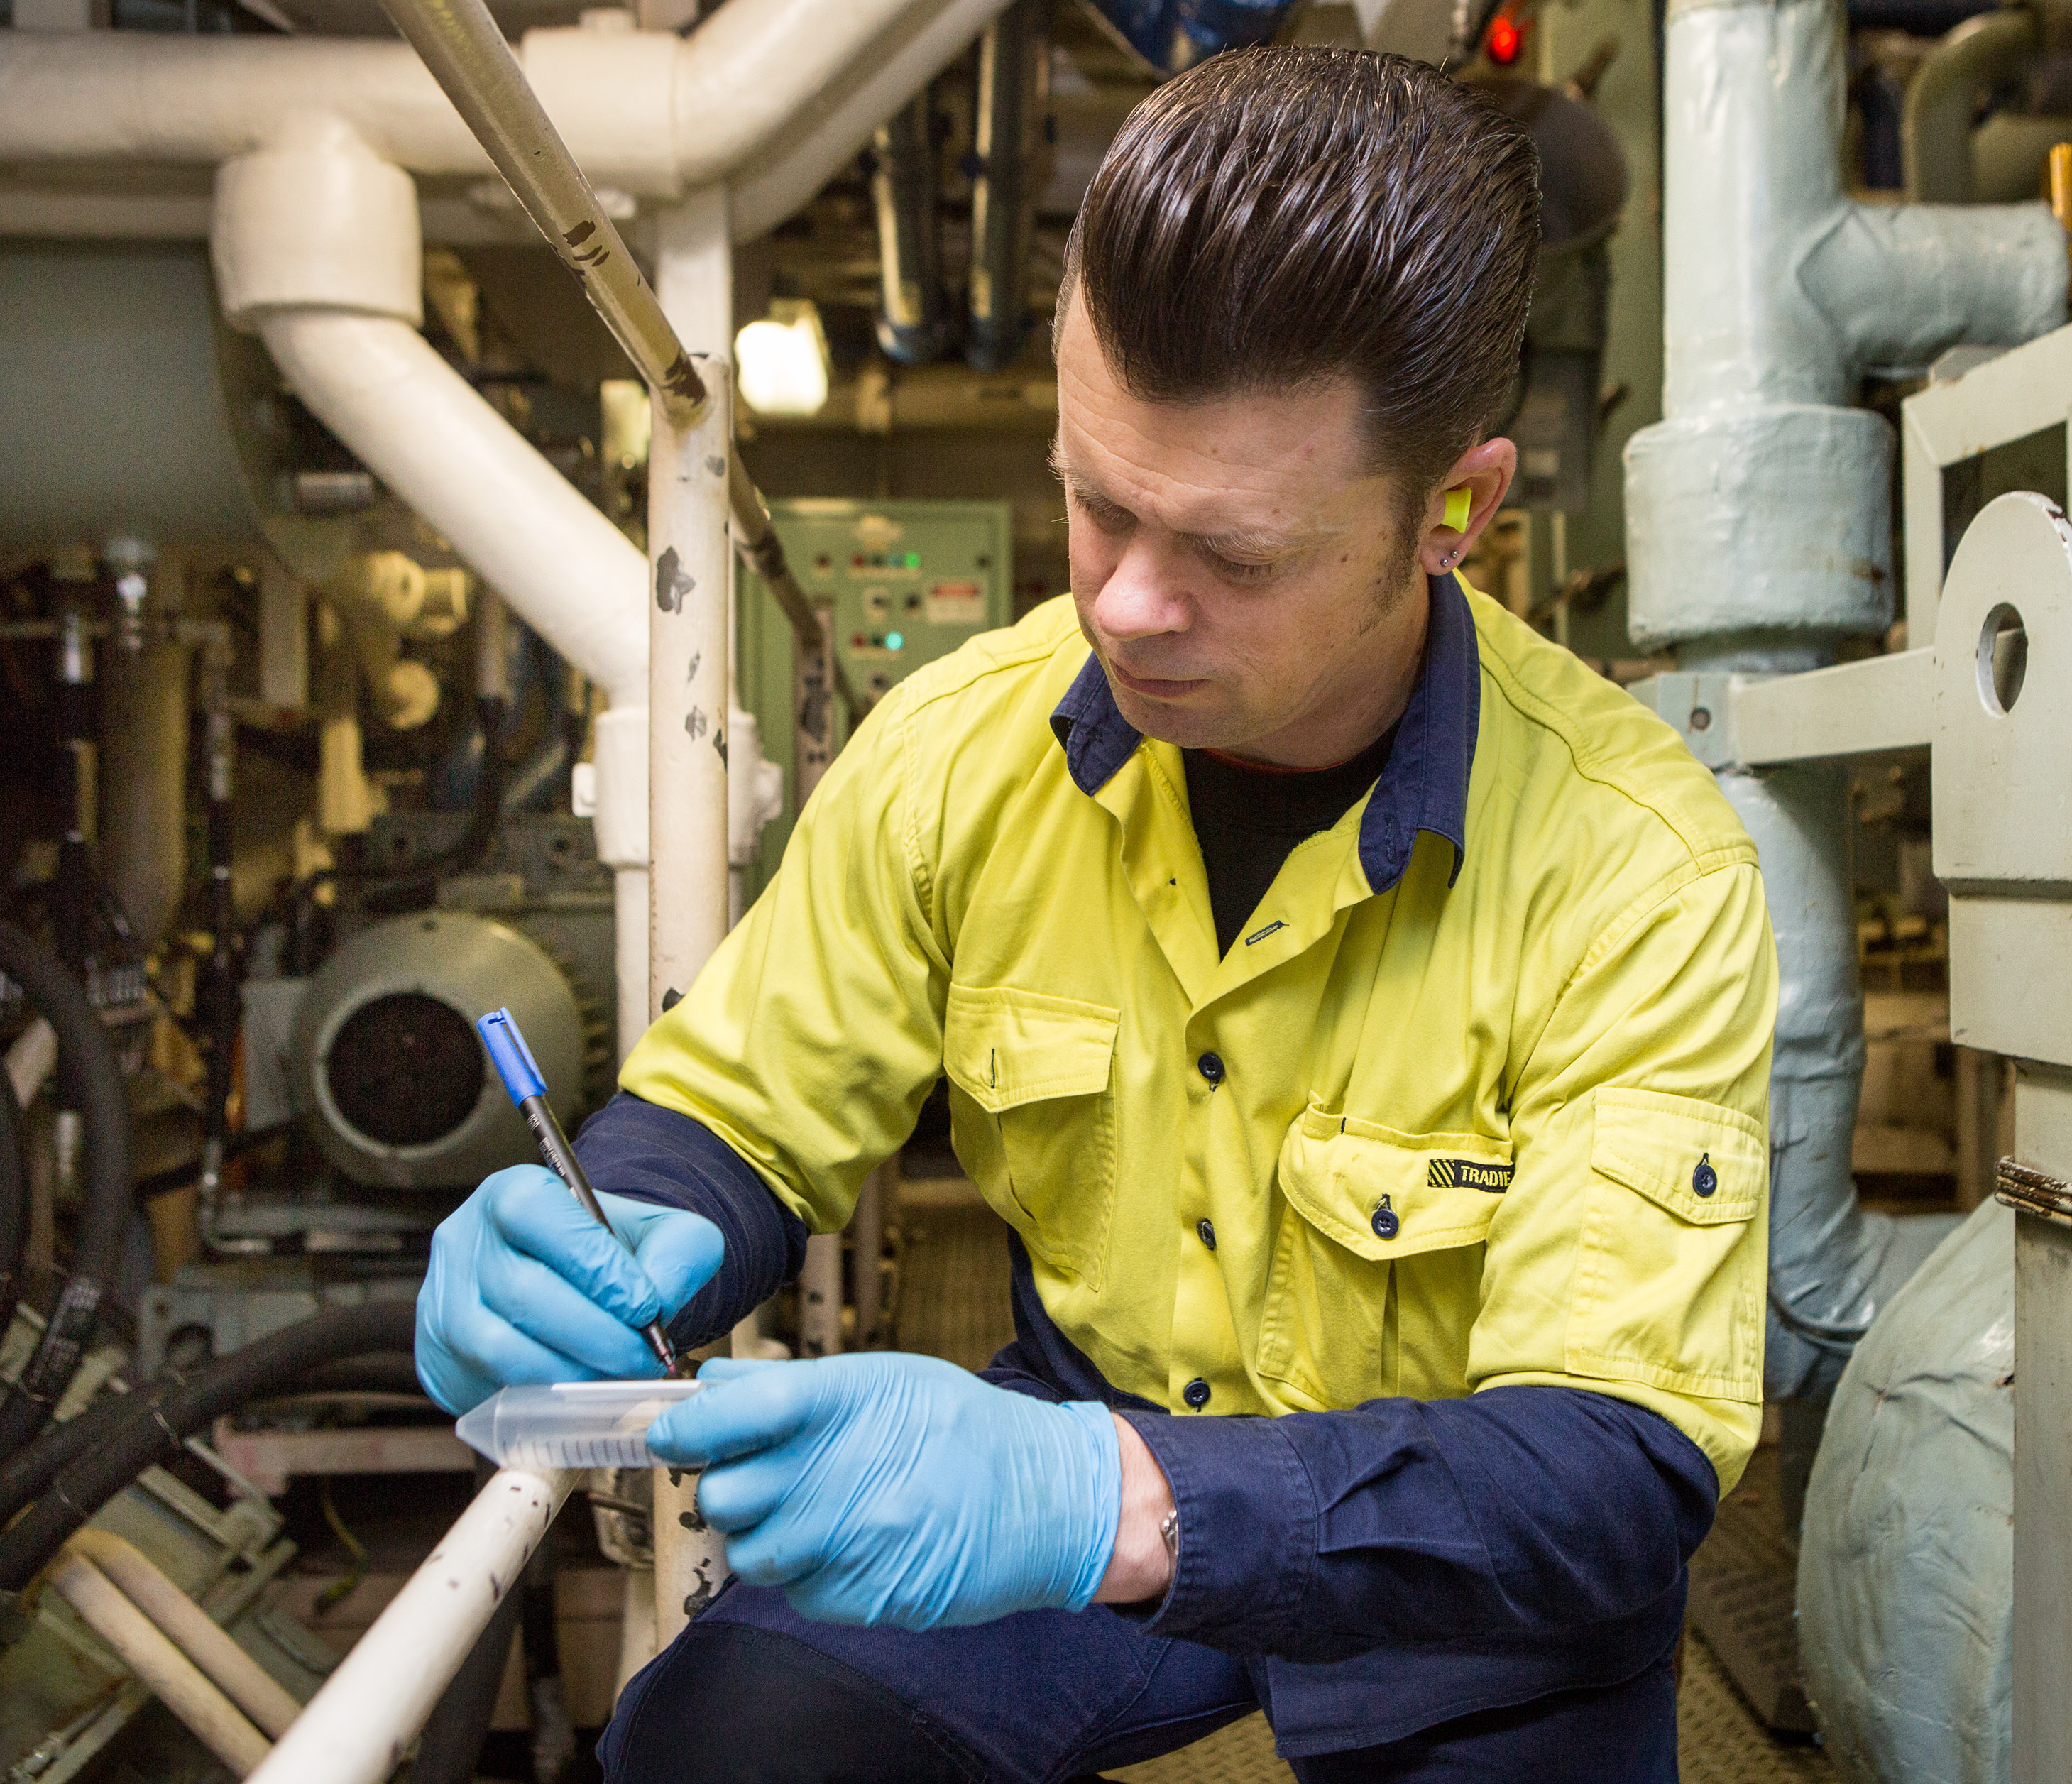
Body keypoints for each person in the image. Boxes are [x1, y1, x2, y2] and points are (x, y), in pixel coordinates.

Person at [417, 44, 1775, 1783]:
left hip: (1466, 1567)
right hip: (1072, 1463)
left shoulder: (1639, 866)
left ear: (1457, 514)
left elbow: (1610, 1463)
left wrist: (1113, 1505)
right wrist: (627, 1220)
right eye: (1095, 498)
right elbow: (740, 1112)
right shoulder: (959, 754)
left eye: (1234, 552)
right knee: (721, 1753)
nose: (1126, 604)